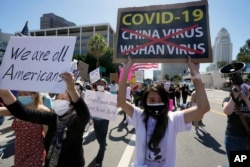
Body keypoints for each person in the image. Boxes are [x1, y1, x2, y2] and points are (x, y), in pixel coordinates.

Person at [117, 56, 210, 167]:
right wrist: (126, 70)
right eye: (152, 100)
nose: (156, 103)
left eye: (160, 100)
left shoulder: (174, 118)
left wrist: (195, 73)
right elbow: (121, 102)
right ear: (145, 102)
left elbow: (203, 108)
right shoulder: (139, 116)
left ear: (166, 101)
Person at [0, 72, 90, 167]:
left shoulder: (77, 120)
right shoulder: (51, 118)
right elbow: (23, 113)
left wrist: (71, 89)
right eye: (58, 97)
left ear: (72, 105)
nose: (59, 100)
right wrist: (5, 93)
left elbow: (84, 113)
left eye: (63, 99)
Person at [0, 91, 50, 167]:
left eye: (25, 94)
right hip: (20, 151)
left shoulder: (43, 111)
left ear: (35, 94)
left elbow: (49, 136)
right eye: (20, 94)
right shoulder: (17, 110)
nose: (22, 96)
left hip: (36, 152)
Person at [222, 84, 250, 162]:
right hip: (234, 139)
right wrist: (235, 96)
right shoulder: (228, 99)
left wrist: (247, 99)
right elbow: (227, 111)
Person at [92, 78, 110, 167]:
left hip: (104, 121)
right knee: (99, 139)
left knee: (102, 143)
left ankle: (99, 161)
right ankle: (102, 147)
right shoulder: (93, 94)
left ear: (105, 86)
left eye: (102, 84)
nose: (100, 85)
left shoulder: (109, 95)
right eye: (98, 84)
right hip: (95, 120)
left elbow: (113, 107)